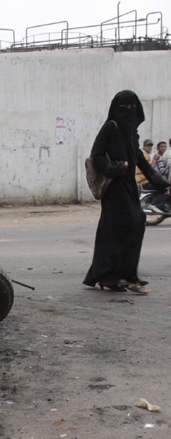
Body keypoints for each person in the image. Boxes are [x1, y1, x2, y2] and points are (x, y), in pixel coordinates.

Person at [83, 90, 170, 294]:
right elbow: (97, 157)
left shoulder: (132, 135)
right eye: (124, 108)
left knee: (123, 228)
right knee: (131, 223)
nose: (128, 112)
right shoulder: (110, 128)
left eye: (132, 108)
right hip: (113, 188)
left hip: (129, 187)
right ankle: (121, 276)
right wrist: (116, 168)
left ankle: (113, 275)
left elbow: (143, 164)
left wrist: (163, 184)